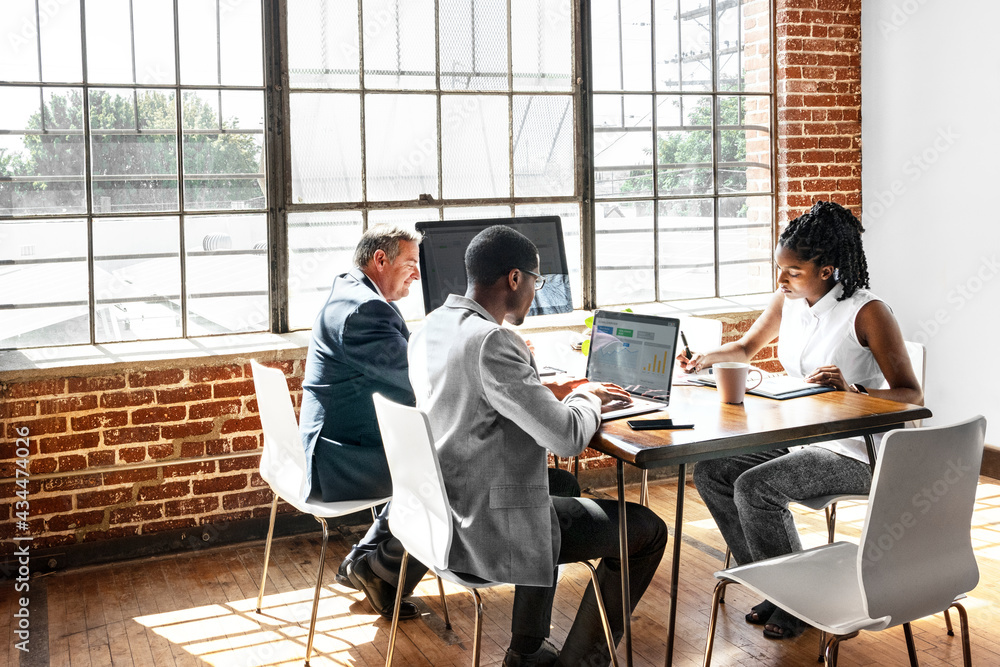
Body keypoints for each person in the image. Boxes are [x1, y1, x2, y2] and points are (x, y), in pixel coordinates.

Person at [409, 225, 668, 667]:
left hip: (441, 511)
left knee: (562, 485)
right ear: (515, 279)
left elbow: (475, 392)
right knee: (648, 531)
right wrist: (587, 396)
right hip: (484, 528)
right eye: (536, 280)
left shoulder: (433, 325)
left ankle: (527, 649)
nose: (535, 290)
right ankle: (580, 662)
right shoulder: (493, 341)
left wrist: (546, 388)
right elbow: (565, 436)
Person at [678, 200, 923, 640]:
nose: (781, 279)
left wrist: (855, 392)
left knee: (755, 486)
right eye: (779, 268)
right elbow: (745, 349)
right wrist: (702, 359)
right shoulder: (787, 300)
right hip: (803, 436)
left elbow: (911, 393)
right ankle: (776, 588)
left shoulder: (868, 312)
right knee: (713, 471)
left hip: (860, 450)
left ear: (826, 270)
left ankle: (800, 601)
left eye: (792, 271)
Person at [299, 224, 427, 620]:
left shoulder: (352, 293)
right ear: (380, 259)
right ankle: (382, 573)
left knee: (434, 460)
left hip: (337, 445)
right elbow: (417, 379)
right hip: (338, 462)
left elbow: (401, 362)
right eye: (410, 263)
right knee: (451, 471)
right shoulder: (365, 312)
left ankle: (364, 561)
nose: (418, 274)